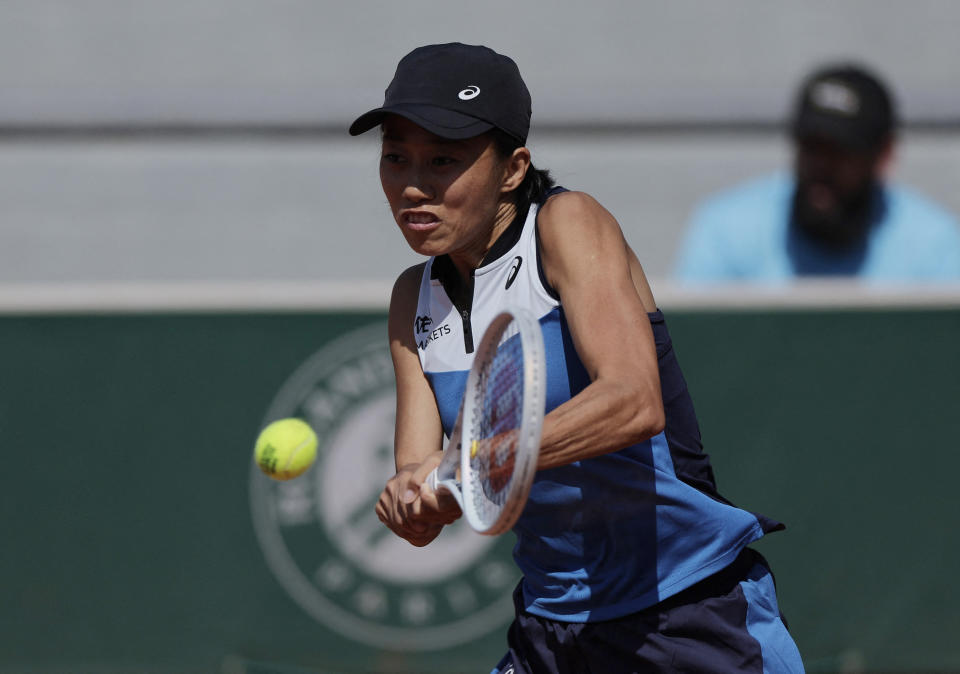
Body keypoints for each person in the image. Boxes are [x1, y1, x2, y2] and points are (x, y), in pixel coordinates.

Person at [353, 43, 804, 673]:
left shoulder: (567, 224)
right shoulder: (413, 297)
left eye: (444, 161)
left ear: (512, 169)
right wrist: (411, 498)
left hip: (688, 615)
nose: (412, 185)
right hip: (552, 631)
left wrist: (484, 457)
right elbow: (432, 495)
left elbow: (633, 402)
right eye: (395, 157)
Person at [674, 62, 960, 282]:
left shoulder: (936, 246)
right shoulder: (727, 230)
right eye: (811, 147)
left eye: (840, 151)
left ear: (883, 155)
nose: (821, 166)